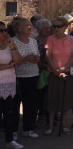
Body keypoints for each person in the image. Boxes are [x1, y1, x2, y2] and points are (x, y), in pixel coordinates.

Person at [44, 17, 73, 135]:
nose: (56, 29)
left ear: (65, 27)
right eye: (55, 26)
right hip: (53, 73)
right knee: (52, 98)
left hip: (66, 73)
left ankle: (64, 124)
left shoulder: (70, 39)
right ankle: (50, 125)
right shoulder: (51, 39)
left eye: (59, 26)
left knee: (66, 98)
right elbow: (48, 56)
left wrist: (63, 69)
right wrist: (55, 70)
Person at [12, 18, 40, 138]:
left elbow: (37, 54)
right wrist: (25, 59)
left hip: (33, 75)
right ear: (19, 29)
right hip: (18, 76)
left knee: (31, 103)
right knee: (15, 105)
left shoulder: (33, 41)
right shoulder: (13, 42)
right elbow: (12, 60)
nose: (29, 27)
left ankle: (28, 129)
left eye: (30, 25)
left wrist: (36, 59)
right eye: (26, 25)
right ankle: (12, 131)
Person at [0, 21, 24, 149]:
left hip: (10, 84)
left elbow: (19, 61)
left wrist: (12, 47)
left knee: (9, 115)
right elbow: (11, 64)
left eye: (5, 30)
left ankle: (10, 141)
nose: (4, 33)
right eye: (1, 31)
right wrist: (8, 66)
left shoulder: (10, 45)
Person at [34, 19, 52, 127]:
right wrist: (42, 66)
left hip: (51, 71)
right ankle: (40, 114)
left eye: (49, 28)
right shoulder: (34, 41)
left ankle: (49, 117)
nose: (47, 30)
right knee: (39, 95)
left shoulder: (52, 40)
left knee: (50, 95)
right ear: (39, 29)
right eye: (45, 28)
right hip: (39, 71)